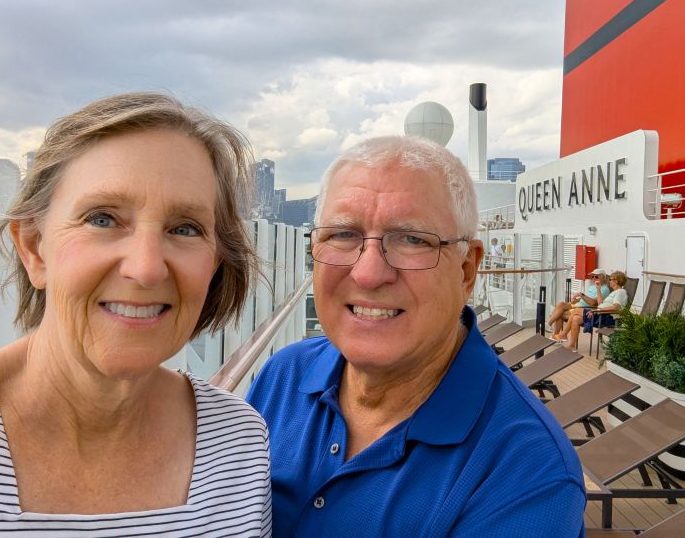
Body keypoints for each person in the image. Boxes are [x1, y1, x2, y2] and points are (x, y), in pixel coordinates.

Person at [0, 93, 272, 536]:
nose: (146, 268)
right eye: (103, 219)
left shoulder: (237, 443)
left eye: (184, 228)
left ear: (215, 264)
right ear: (34, 248)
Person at [246, 136, 586, 537]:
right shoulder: (285, 374)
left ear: (466, 271)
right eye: (342, 235)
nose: (369, 273)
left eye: (411, 239)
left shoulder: (526, 473)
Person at [559, 271, 629, 351]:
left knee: (576, 310)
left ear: (616, 281)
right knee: (575, 319)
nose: (609, 281)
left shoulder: (621, 292)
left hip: (607, 317)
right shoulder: (614, 292)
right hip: (600, 314)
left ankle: (563, 334)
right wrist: (598, 289)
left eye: (610, 279)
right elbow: (600, 303)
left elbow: (616, 307)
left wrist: (597, 310)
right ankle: (572, 345)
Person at [548, 268, 609, 337]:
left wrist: (581, 294)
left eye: (596, 276)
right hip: (577, 305)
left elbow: (593, 303)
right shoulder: (592, 286)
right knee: (560, 305)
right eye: (592, 277)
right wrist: (577, 300)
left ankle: (553, 331)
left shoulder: (604, 289)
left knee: (559, 313)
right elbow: (587, 297)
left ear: (603, 277)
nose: (594, 278)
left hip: (584, 309)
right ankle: (553, 330)